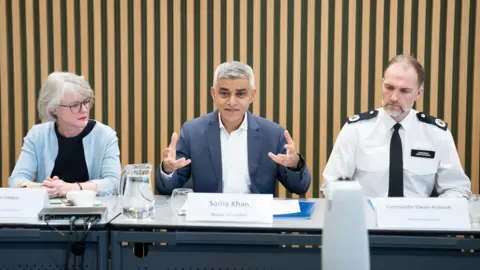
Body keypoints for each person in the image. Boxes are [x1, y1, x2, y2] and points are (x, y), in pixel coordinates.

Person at [322, 55, 471, 199]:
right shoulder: (356, 130)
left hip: (418, 222)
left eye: (404, 91)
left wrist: (431, 213)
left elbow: (457, 188)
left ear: (418, 93)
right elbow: (331, 185)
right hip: (366, 221)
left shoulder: (436, 133)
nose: (394, 97)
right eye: (389, 87)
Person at [156, 61, 311, 195]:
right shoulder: (192, 132)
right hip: (208, 223)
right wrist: (167, 170)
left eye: (240, 94)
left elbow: (300, 187)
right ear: (213, 94)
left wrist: (295, 165)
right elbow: (167, 188)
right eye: (224, 93)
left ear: (252, 95)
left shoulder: (273, 134)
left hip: (257, 224)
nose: (232, 101)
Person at [8, 72, 121, 197]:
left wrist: (72, 188)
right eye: (75, 105)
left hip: (92, 213)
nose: (84, 109)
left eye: (86, 102)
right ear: (53, 109)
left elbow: (114, 183)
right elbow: (16, 180)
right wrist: (43, 188)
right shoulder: (38, 135)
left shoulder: (105, 135)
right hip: (48, 213)